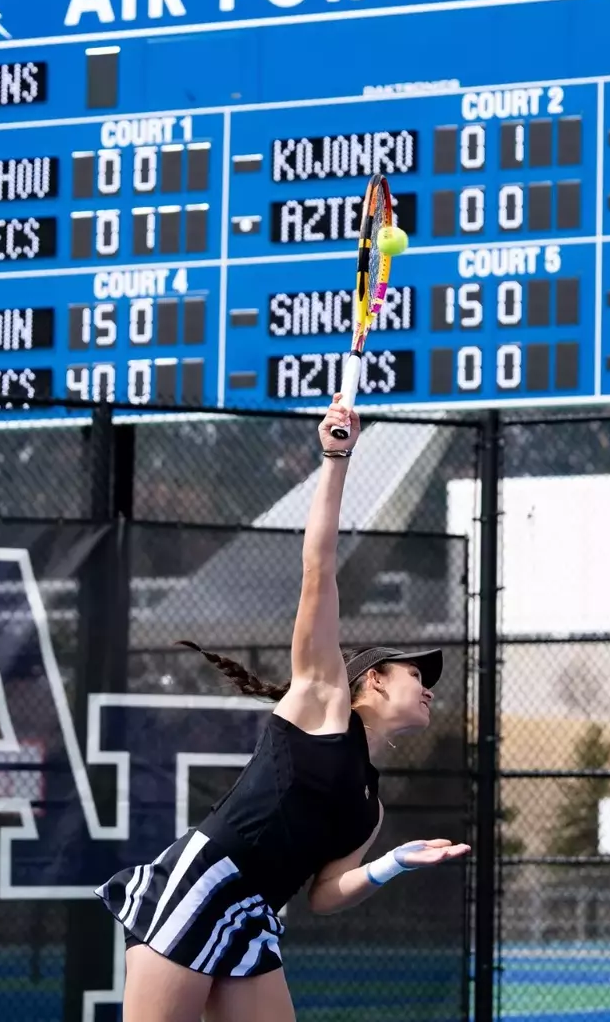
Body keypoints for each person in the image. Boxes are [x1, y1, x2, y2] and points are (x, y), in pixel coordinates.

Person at [94, 395, 470, 1022]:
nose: (428, 685)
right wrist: (336, 459)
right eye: (415, 673)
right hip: (203, 883)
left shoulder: (371, 808)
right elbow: (319, 568)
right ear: (373, 681)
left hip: (253, 916)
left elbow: (326, 893)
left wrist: (393, 863)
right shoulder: (322, 700)